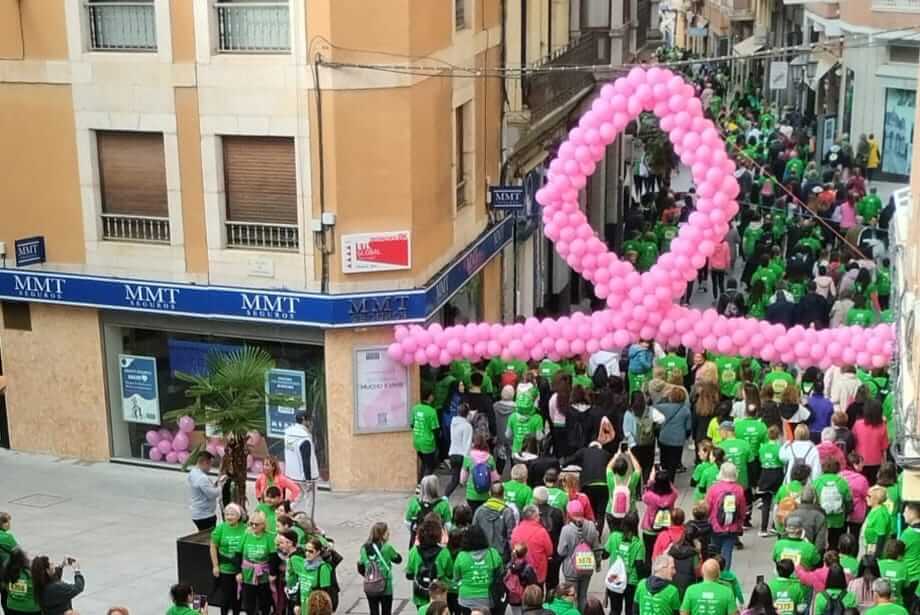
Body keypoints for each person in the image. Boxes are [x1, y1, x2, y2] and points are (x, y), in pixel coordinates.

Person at [558, 500, 601, 611]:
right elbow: (596, 548)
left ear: (569, 513)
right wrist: (598, 564)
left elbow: (561, 551)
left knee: (571, 599)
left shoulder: (566, 530)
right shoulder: (591, 526)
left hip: (571, 570)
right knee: (583, 596)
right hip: (586, 566)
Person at [452, 525, 503, 615]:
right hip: (489, 599)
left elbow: (456, 578)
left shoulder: (461, 556)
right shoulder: (493, 553)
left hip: (466, 600)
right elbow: (501, 573)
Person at [406, 516, 453, 611]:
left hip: (420, 594)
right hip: (439, 595)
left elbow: (409, 574)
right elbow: (450, 574)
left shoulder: (414, 551)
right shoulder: (444, 553)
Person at [705, 463, 747, 570]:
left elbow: (707, 507)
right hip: (732, 527)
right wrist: (740, 523)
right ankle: (726, 576)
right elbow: (742, 509)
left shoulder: (714, 489)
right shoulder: (739, 489)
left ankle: (714, 574)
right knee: (727, 553)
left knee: (715, 552)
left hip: (715, 526)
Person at [605, 511, 647, 615]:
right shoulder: (638, 544)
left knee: (614, 610)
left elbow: (604, 555)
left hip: (615, 579)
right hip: (631, 582)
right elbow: (639, 565)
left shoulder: (614, 536)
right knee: (630, 610)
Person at [357, 522, 403, 615]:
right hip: (385, 584)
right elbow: (398, 559)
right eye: (387, 532)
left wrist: (370, 575)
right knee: (386, 611)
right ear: (382, 534)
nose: (389, 533)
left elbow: (360, 565)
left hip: (370, 584)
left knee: (373, 610)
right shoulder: (387, 547)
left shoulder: (364, 548)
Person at [284, 411, 321, 518]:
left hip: (293, 473)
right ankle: (309, 521)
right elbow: (306, 460)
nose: (310, 423)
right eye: (309, 420)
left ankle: (287, 511)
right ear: (304, 420)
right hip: (306, 476)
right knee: (310, 500)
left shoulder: (288, 433)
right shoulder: (304, 438)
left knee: (300, 495)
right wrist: (309, 480)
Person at [210, 503, 245, 615]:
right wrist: (215, 566)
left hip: (241, 569)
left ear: (239, 516)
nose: (229, 517)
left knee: (237, 596)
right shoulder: (220, 528)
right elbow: (213, 547)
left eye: (232, 514)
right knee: (225, 597)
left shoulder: (245, 528)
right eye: (227, 514)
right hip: (225, 568)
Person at [812, 458, 853, 550]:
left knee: (820, 543)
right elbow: (848, 500)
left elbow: (813, 500)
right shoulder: (842, 482)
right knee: (834, 543)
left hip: (821, 518)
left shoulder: (817, 482)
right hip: (838, 519)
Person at [642, 469, 679, 567]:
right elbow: (675, 491)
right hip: (665, 529)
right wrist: (666, 479)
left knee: (648, 553)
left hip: (649, 529)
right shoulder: (672, 496)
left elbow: (644, 496)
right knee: (663, 553)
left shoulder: (650, 496)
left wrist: (651, 480)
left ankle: (648, 573)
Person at [472, 483, 516, 561]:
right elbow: (511, 536)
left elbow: (473, 533)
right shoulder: (507, 512)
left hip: (483, 555)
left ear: (489, 493)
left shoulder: (479, 511)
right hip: (502, 555)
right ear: (503, 494)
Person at [511, 505, 553, 587]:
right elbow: (550, 551)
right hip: (538, 574)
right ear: (535, 517)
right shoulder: (542, 532)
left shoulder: (515, 530)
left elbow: (512, 548)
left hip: (520, 573)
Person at [655, 387, 692, 480]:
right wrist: (686, 437)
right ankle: (670, 481)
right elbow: (688, 427)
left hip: (664, 437)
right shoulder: (686, 410)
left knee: (664, 460)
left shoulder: (662, 407)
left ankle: (663, 478)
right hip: (678, 440)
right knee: (673, 463)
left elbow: (654, 407)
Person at [406, 475, 452, 547]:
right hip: (437, 541)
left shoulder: (414, 502)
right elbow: (448, 525)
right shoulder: (443, 504)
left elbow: (408, 522)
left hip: (418, 540)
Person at [533, 486, 565, 590]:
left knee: (537, 584)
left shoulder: (531, 514)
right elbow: (561, 532)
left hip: (538, 555)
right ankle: (551, 604)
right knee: (553, 584)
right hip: (554, 555)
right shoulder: (557, 513)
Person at [461, 433, 501, 513]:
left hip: (471, 495)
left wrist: (464, 483)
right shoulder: (490, 458)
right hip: (486, 495)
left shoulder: (468, 457)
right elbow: (495, 479)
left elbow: (462, 480)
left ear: (473, 444)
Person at [852, 401, 888, 485]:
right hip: (877, 462)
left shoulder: (857, 424)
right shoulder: (883, 426)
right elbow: (884, 448)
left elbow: (853, 440)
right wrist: (884, 464)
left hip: (860, 462)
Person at [757, 425, 784, 537]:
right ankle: (774, 526)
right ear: (778, 436)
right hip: (777, 474)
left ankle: (763, 529)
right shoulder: (780, 448)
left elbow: (760, 459)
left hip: (765, 474)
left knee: (766, 503)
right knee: (777, 502)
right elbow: (782, 461)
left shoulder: (762, 447)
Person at [787, 486, 828, 554]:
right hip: (810, 554)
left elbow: (785, 535)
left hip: (791, 553)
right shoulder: (820, 516)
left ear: (800, 498)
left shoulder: (791, 514)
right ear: (814, 499)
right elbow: (820, 542)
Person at [187, 451, 222, 530]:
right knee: (208, 538)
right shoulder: (202, 478)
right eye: (210, 464)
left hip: (196, 512)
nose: (210, 467)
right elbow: (212, 494)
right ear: (204, 462)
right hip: (205, 515)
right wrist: (221, 487)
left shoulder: (193, 472)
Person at [446, 404, 474, 497]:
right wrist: (468, 461)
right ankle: (470, 498)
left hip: (453, 453)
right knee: (470, 480)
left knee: (454, 480)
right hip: (462, 455)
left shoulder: (453, 423)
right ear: (467, 413)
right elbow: (468, 443)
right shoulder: (467, 426)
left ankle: (445, 496)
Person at [841, 453, 870, 538]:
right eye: (861, 463)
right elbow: (867, 495)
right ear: (855, 464)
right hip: (857, 514)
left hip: (842, 512)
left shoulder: (839, 476)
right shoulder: (861, 479)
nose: (863, 465)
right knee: (855, 536)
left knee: (841, 536)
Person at [2, 548, 39, 615]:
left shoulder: (7, 572)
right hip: (31, 609)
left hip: (12, 607)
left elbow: (6, 588)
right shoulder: (30, 574)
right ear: (23, 560)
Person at [863, 486, 894, 558]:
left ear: (876, 499)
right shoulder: (875, 509)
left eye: (869, 496)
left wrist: (876, 556)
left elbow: (881, 537)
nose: (866, 498)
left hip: (875, 550)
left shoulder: (880, 514)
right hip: (870, 547)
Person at [877, 539, 907, 607]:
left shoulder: (878, 564)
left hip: (880, 603)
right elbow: (906, 586)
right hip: (897, 604)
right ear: (900, 554)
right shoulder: (904, 568)